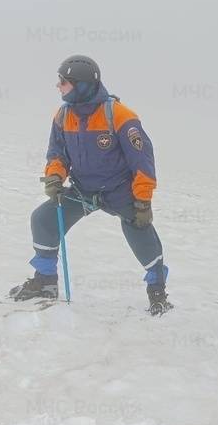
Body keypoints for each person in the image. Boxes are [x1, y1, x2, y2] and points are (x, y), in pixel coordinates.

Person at [9, 55, 172, 316]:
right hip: (83, 190)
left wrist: (142, 200)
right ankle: (46, 282)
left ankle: (157, 291)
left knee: (140, 229)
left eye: (63, 82)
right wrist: (54, 176)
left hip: (119, 191)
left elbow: (142, 161)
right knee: (43, 219)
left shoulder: (119, 115)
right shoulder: (63, 115)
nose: (58, 86)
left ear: (81, 84)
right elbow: (57, 153)